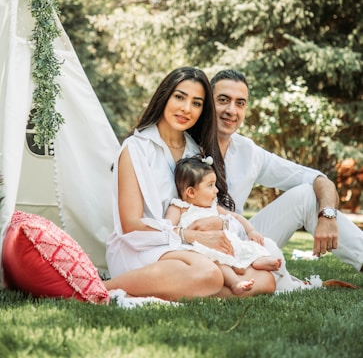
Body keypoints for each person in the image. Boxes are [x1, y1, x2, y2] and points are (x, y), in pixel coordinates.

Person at [104, 66, 277, 300]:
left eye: (197, 103)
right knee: (209, 273)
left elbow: (213, 208)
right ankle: (102, 288)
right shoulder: (136, 148)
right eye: (180, 97)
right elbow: (130, 225)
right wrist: (187, 235)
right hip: (142, 249)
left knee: (265, 281)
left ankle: (187, 287)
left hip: (193, 251)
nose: (187, 109)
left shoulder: (197, 152)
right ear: (164, 96)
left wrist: (215, 224)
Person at [201, 69, 363, 273]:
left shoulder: (248, 151)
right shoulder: (185, 147)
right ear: (208, 103)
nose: (231, 110)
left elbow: (318, 179)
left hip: (243, 242)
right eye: (223, 100)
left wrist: (327, 215)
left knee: (305, 195)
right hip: (198, 249)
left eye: (240, 103)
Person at [165, 155, 282, 296]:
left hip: (229, 243)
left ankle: (258, 260)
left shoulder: (213, 207)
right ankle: (235, 282)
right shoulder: (179, 207)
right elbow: (167, 230)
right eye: (210, 186)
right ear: (191, 192)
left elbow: (236, 217)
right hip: (205, 248)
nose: (216, 190)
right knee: (218, 261)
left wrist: (251, 231)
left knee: (247, 246)